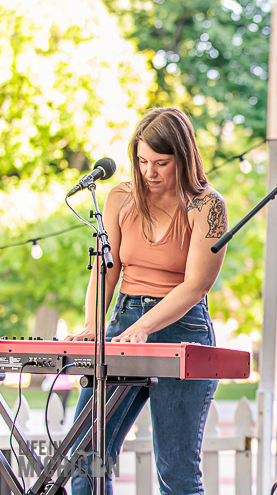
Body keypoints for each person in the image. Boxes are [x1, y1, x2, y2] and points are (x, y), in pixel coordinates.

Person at [66, 107, 228, 494]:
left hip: (182, 328)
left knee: (176, 473)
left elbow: (196, 286)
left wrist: (144, 327)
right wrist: (94, 325)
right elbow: (105, 270)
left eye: (161, 162)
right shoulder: (120, 197)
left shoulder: (207, 206)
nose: (149, 172)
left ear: (184, 158)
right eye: (141, 161)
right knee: (85, 459)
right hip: (123, 321)